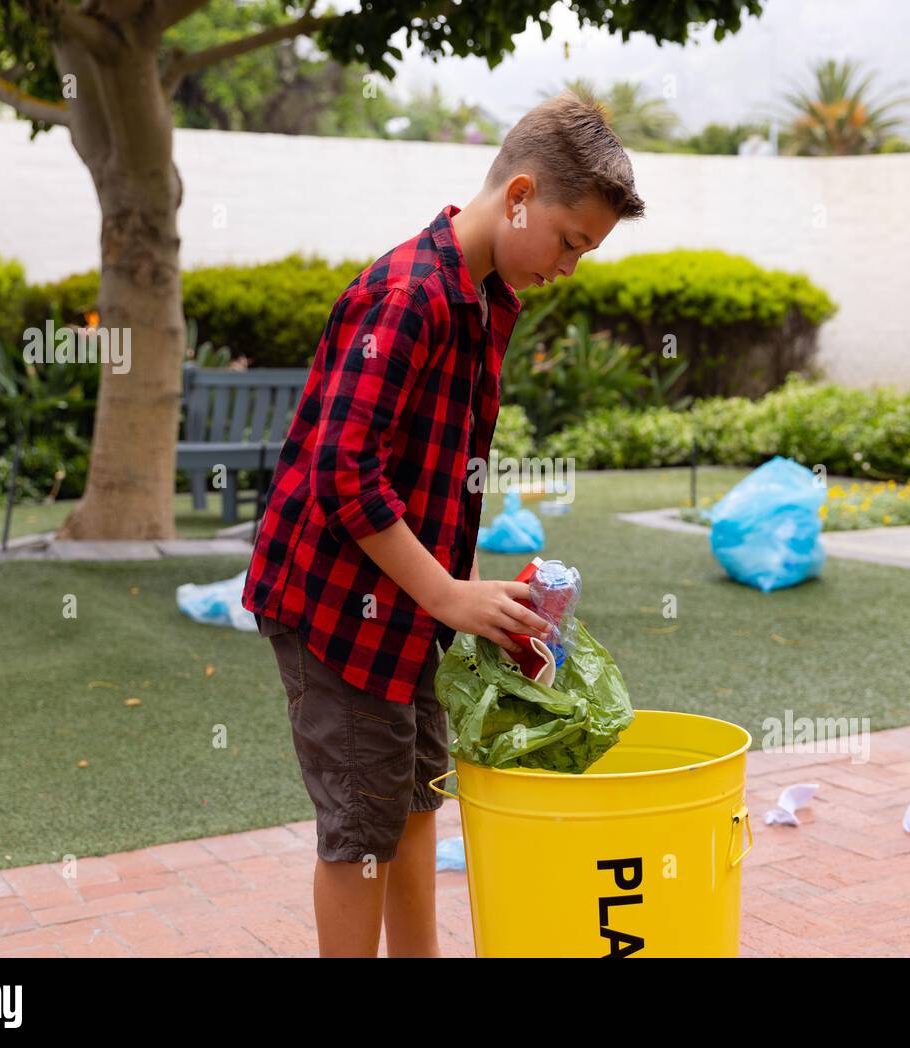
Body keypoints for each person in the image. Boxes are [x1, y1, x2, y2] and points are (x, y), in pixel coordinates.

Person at [241, 90, 646, 957]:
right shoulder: (410, 294)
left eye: (587, 253)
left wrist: (461, 598)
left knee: (416, 795)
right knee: (360, 831)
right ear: (521, 195)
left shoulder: (487, 296)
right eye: (571, 241)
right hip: (335, 607)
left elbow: (429, 468)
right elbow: (343, 473)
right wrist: (450, 596)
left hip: (402, 609)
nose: (571, 266)